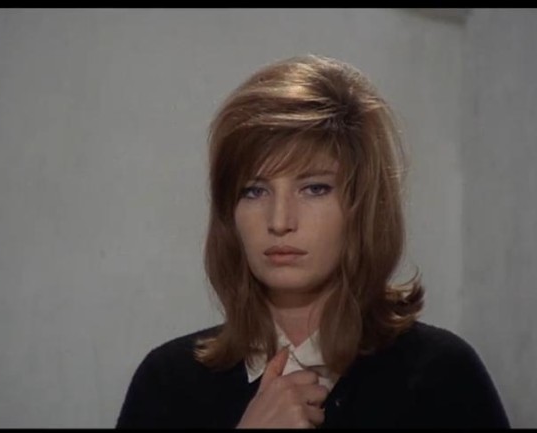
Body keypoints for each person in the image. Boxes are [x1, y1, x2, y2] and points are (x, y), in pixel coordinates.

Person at [116, 54, 510, 429]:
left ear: (362, 208)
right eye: (254, 191)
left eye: (314, 188)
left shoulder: (441, 377)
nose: (279, 221)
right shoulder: (166, 383)